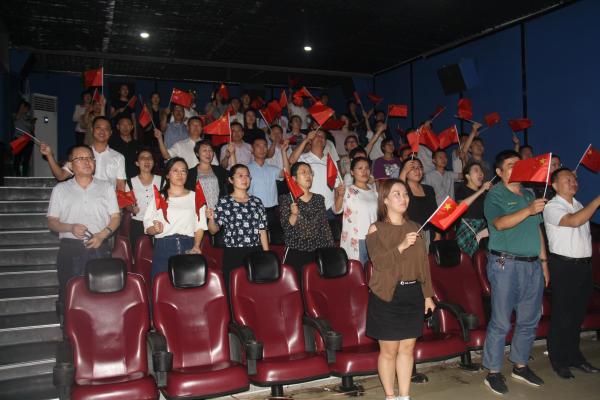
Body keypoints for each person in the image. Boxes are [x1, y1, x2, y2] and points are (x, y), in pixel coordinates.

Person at [482, 150, 549, 396]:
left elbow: (537, 229)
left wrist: (544, 262)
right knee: (501, 321)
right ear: (499, 172)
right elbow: (499, 224)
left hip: (532, 265)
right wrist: (529, 210)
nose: (517, 168)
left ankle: (520, 365)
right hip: (505, 264)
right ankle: (492, 372)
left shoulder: (529, 194)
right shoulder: (495, 195)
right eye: (511, 165)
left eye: (519, 164)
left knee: (529, 319)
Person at [365, 178, 436, 400]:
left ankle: (404, 396)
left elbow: (423, 265)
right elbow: (380, 262)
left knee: (407, 349)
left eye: (405, 194)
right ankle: (390, 396)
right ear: (385, 200)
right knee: (389, 352)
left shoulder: (416, 227)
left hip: (413, 295)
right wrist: (402, 246)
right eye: (397, 194)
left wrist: (428, 295)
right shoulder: (376, 229)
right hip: (387, 295)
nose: (403, 198)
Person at [543, 168, 600, 379]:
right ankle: (558, 360)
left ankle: (575, 356)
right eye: (567, 179)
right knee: (562, 315)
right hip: (564, 266)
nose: (573, 182)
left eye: (574, 179)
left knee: (577, 315)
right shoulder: (552, 206)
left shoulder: (579, 204)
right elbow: (574, 221)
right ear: (554, 185)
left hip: (583, 266)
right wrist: (598, 201)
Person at [47, 145, 120, 306]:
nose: (87, 162)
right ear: (71, 165)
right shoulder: (61, 189)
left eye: (90, 158)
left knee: (102, 296)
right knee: (70, 295)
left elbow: (115, 217)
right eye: (80, 158)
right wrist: (70, 227)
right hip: (70, 249)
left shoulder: (106, 187)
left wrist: (102, 235)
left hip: (99, 246)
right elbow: (52, 222)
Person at [207, 164, 269, 290]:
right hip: (234, 253)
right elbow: (213, 230)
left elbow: (262, 230)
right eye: (240, 176)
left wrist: (266, 255)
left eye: (247, 176)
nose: (245, 179)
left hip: (255, 251)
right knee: (234, 289)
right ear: (231, 180)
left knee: (256, 289)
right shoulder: (224, 202)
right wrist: (211, 218)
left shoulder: (257, 201)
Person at [143, 157, 206, 280]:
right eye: (175, 170)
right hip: (164, 246)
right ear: (167, 175)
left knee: (188, 285)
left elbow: (200, 225)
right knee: (162, 284)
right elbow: (147, 227)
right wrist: (155, 229)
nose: (180, 174)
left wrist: (197, 245)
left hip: (188, 245)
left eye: (183, 171)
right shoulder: (159, 197)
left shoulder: (195, 196)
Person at [279, 162, 335, 276]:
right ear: (294, 178)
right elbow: (286, 228)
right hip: (296, 249)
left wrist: (331, 250)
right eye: (303, 172)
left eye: (310, 173)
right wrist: (294, 215)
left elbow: (325, 226)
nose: (308, 175)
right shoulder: (287, 199)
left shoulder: (319, 199)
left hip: (318, 250)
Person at [41, 116, 126, 190]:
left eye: (106, 129)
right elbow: (61, 176)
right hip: (83, 199)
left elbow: (121, 186)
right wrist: (49, 155)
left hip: (107, 200)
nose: (102, 131)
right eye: (98, 127)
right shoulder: (79, 153)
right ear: (92, 129)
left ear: (110, 133)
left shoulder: (118, 157)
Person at [335, 157, 378, 264]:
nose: (364, 171)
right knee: (359, 269)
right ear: (352, 172)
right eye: (360, 168)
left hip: (374, 238)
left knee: (373, 270)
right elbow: (336, 210)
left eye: (367, 168)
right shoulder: (348, 190)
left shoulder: (374, 192)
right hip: (358, 239)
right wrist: (340, 195)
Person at [290, 130, 342, 216]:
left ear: (325, 142)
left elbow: (337, 186)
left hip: (329, 209)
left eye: (322, 136)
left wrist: (336, 205)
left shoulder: (331, 161)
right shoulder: (302, 158)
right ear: (310, 141)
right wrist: (306, 139)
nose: (320, 137)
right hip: (308, 207)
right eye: (316, 135)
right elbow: (291, 160)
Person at [247, 137, 289, 229]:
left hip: (272, 211)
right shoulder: (246, 169)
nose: (262, 149)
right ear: (252, 150)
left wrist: (283, 152)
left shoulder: (272, 168)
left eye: (265, 146)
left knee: (276, 237)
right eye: (258, 146)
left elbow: (287, 174)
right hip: (254, 211)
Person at [126, 149, 162, 252]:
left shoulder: (162, 180)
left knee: (158, 253)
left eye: (150, 158)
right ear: (137, 163)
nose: (147, 160)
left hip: (158, 223)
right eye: (143, 158)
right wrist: (132, 209)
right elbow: (127, 204)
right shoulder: (130, 182)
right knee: (138, 254)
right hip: (138, 224)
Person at [399, 158, 440, 247]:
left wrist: (438, 233)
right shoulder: (404, 190)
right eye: (413, 167)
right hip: (410, 234)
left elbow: (435, 212)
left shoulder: (429, 189)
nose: (417, 170)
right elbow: (398, 189)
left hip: (429, 233)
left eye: (420, 167)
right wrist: (404, 171)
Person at [455, 161, 493, 256]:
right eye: (476, 170)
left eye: (481, 171)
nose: (481, 173)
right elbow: (460, 206)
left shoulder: (484, 194)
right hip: (467, 231)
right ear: (467, 176)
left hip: (482, 233)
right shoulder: (462, 189)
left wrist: (493, 192)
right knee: (467, 261)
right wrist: (481, 190)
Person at [185, 140, 228, 209]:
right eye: (204, 150)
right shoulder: (190, 173)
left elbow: (234, 175)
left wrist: (229, 155)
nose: (208, 153)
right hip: (199, 210)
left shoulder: (219, 170)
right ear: (197, 154)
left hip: (219, 210)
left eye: (210, 150)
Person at [12, 100, 36, 177]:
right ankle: (18, 176)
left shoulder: (28, 118)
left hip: (29, 140)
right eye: (26, 107)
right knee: (17, 159)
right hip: (19, 139)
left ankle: (25, 176)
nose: (27, 110)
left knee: (26, 160)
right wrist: (22, 105)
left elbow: (32, 129)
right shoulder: (17, 115)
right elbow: (17, 117)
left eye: (28, 108)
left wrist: (33, 123)